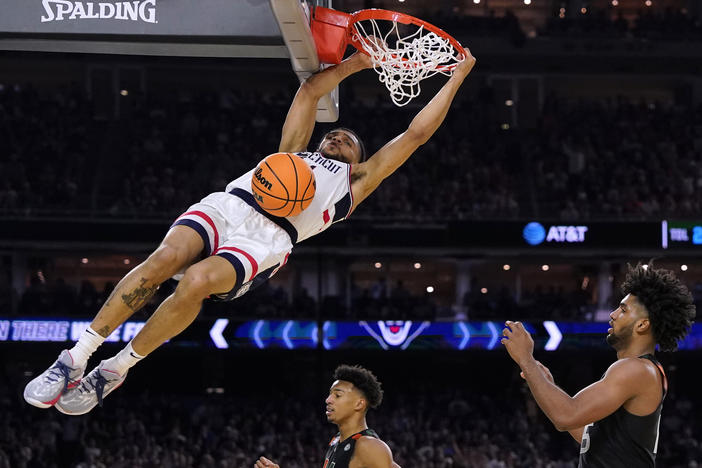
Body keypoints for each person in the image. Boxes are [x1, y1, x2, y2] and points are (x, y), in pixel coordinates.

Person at [23, 48, 477, 414]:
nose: (337, 137)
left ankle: (116, 369)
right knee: (161, 263)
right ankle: (74, 358)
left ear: (358, 159)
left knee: (197, 283)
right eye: (333, 134)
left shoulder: (355, 183)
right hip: (230, 205)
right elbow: (310, 91)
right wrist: (358, 62)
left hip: (268, 239)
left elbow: (416, 134)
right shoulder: (293, 153)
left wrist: (456, 76)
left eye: (348, 140)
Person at [501, 263, 696, 467]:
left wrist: (526, 359)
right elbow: (589, 437)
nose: (612, 314)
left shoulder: (635, 369)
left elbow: (566, 416)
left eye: (623, 309)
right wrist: (547, 384)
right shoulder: (642, 370)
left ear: (642, 324)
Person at [254, 364, 400, 468]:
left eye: (337, 395)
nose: (328, 400)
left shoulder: (369, 446)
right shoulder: (336, 441)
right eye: (330, 394)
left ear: (359, 404)